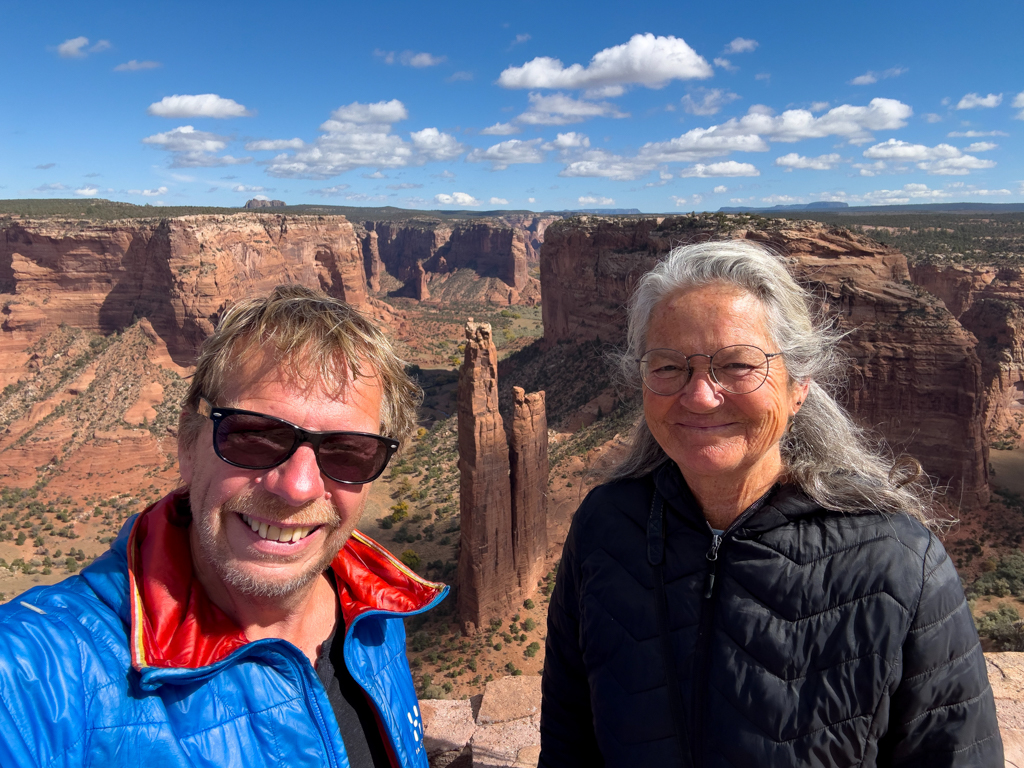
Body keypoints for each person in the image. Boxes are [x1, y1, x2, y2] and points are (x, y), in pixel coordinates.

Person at [539, 241, 1002, 768]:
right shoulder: (605, 528)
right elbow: (566, 741)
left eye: (737, 365)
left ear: (798, 384)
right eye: (669, 367)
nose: (700, 396)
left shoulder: (900, 564)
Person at [0, 285, 447, 767]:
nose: (296, 487)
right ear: (188, 445)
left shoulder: (377, 616)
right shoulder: (42, 671)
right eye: (254, 436)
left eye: (348, 451)